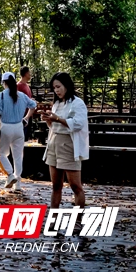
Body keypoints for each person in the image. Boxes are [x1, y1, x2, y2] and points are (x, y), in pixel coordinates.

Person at [41, 72, 88, 210]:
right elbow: (55, 125)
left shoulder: (77, 103)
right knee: (56, 185)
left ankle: (78, 219)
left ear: (66, 85)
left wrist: (57, 119)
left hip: (68, 144)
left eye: (58, 86)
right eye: (54, 88)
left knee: (75, 185)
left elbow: (78, 124)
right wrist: (49, 120)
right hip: (53, 142)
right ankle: (54, 217)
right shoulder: (57, 103)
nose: (56, 90)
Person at [0, 72, 36, 191]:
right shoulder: (22, 95)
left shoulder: (1, 96)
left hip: (5, 127)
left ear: (4, 82)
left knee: (2, 154)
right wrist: (26, 117)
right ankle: (18, 185)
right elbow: (33, 105)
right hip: (19, 127)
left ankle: (10, 175)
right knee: (18, 156)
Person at [17, 66, 33, 140]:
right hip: (21, 114)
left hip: (28, 113)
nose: (30, 74)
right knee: (20, 137)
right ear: (26, 73)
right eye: (29, 72)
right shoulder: (18, 86)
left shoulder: (27, 86)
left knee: (25, 137)